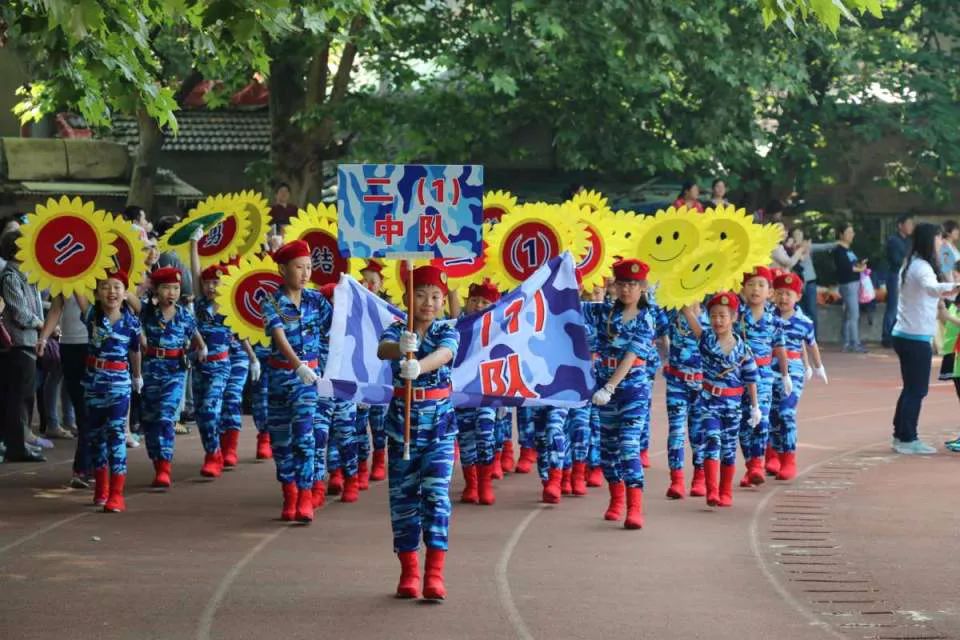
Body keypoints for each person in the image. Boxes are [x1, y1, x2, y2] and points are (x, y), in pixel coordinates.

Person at [378, 265, 458, 600]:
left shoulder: (446, 329)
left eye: (435, 296)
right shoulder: (398, 328)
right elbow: (384, 350)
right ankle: (409, 571)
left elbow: (446, 353)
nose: (428, 301)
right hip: (402, 428)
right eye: (421, 294)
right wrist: (401, 347)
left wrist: (419, 365)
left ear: (442, 301)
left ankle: (434, 574)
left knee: (437, 497)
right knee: (403, 500)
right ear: (408, 297)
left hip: (439, 427)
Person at [261, 240, 333, 522]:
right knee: (281, 440)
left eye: (309, 267)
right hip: (281, 377)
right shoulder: (271, 301)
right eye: (299, 267)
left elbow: (335, 328)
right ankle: (289, 493)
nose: (305, 273)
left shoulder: (316, 300)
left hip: (308, 382)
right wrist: (296, 364)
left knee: (305, 437)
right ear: (282, 269)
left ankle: (304, 495)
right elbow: (278, 336)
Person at [583, 259, 654, 530]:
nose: (626, 290)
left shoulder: (646, 318)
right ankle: (616, 500)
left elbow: (631, 355)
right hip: (604, 387)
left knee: (628, 445)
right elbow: (567, 306)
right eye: (622, 284)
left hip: (631, 389)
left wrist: (610, 387)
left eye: (633, 285)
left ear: (642, 288)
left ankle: (635, 508)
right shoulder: (604, 313)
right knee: (608, 449)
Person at [75, 270, 143, 512]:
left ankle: (116, 493)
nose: (111, 292)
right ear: (97, 292)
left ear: (125, 294)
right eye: (105, 286)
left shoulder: (132, 323)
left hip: (119, 386)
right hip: (93, 385)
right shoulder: (91, 315)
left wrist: (137, 376)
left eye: (117, 287)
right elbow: (77, 286)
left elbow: (135, 351)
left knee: (116, 435)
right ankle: (101, 488)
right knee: (95, 437)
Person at [683, 294, 759, 508]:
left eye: (723, 316)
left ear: (733, 317)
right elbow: (691, 319)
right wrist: (682, 303)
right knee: (712, 440)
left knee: (728, 448)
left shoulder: (743, 349)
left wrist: (755, 407)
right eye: (714, 316)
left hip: (733, 405)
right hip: (709, 402)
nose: (718, 320)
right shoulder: (706, 339)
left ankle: (726, 492)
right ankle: (713, 490)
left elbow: (751, 379)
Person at [890, 223, 959, 455]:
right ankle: (907, 438)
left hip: (907, 334)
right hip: (914, 337)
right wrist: (955, 286)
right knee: (917, 390)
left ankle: (901, 434)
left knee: (911, 388)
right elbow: (932, 288)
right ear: (930, 240)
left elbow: (933, 291)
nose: (941, 243)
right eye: (939, 239)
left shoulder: (914, 263)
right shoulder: (921, 267)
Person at [138, 267, 203, 487]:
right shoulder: (146, 313)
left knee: (166, 416)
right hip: (150, 371)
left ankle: (165, 465)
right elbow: (129, 297)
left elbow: (194, 334)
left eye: (175, 288)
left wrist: (201, 348)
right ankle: (157, 461)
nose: (172, 293)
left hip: (175, 370)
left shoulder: (184, 313)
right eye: (166, 288)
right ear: (156, 290)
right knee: (150, 420)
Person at [767, 274, 827, 479]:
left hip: (793, 371)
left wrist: (817, 367)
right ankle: (772, 455)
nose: (784, 298)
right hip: (768, 370)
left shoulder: (804, 322)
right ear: (773, 295)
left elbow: (811, 344)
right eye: (780, 293)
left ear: (798, 297)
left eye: (788, 294)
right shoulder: (767, 317)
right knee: (770, 414)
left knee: (786, 413)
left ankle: (789, 459)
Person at [736, 266, 789, 488]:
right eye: (750, 285)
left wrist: (785, 375)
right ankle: (750, 463)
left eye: (761, 285)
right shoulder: (736, 317)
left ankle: (757, 463)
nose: (755, 289)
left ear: (770, 292)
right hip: (738, 377)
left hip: (764, 376)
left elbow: (779, 348)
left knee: (762, 421)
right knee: (741, 424)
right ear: (743, 290)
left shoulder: (774, 320)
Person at [0, 230, 46, 462]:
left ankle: (19, 442)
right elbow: (19, 312)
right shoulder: (10, 276)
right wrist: (43, 324)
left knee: (24, 396)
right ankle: (17, 446)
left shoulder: (23, 275)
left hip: (26, 342)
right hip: (19, 343)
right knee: (19, 397)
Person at [453, 281, 500, 506]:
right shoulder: (458, 325)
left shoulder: (499, 328)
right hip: (462, 392)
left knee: (485, 433)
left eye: (485, 302)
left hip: (487, 390)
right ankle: (471, 484)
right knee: (466, 437)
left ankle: (485, 483)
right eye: (474, 301)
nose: (478, 305)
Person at [661, 300, 707, 498]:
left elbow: (706, 340)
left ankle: (700, 476)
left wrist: (689, 312)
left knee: (699, 433)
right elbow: (658, 334)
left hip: (702, 385)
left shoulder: (712, 317)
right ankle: (677, 479)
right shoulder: (671, 316)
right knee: (676, 431)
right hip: (677, 383)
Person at [831, 223, 868, 353]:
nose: (852, 235)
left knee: (848, 314)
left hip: (854, 283)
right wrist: (859, 269)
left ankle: (846, 342)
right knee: (854, 314)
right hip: (848, 284)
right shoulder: (839, 250)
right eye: (848, 232)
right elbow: (845, 267)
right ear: (841, 234)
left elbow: (852, 264)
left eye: (852, 232)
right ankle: (854, 343)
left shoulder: (848, 250)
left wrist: (860, 265)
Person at [793, 228, 835, 339]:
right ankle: (800, 336)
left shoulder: (807, 247)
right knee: (799, 310)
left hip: (810, 281)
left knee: (812, 310)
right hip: (797, 283)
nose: (798, 237)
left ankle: (813, 338)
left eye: (800, 234)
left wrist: (837, 244)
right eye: (796, 235)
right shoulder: (789, 249)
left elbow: (824, 247)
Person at [883, 214, 915, 347]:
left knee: (902, 307)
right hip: (895, 275)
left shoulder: (909, 241)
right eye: (908, 224)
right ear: (900, 225)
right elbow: (897, 260)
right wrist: (907, 261)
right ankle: (887, 337)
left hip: (906, 276)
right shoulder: (893, 240)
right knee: (893, 307)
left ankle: (897, 336)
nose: (910, 227)